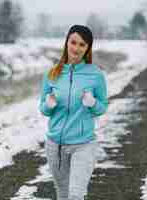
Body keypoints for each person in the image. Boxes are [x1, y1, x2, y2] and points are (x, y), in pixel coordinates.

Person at [39, 24, 109, 200]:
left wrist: (92, 103)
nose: (76, 48)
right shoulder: (52, 74)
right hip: (56, 146)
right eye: (73, 42)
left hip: (83, 144)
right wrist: (49, 104)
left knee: (76, 195)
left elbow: (103, 106)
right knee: (62, 194)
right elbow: (43, 109)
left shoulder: (95, 75)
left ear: (88, 48)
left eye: (82, 45)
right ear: (67, 43)